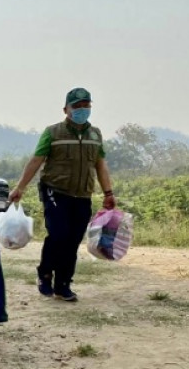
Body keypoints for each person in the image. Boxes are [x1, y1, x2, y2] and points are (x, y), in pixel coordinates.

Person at [8, 87, 116, 302]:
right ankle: (45, 274)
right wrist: (20, 187)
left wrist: (108, 193)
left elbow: (100, 165)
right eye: (77, 106)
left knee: (73, 240)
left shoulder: (95, 135)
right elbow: (36, 160)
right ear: (66, 109)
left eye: (86, 105)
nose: (82, 109)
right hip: (55, 191)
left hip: (82, 194)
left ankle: (63, 284)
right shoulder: (53, 132)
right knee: (59, 235)